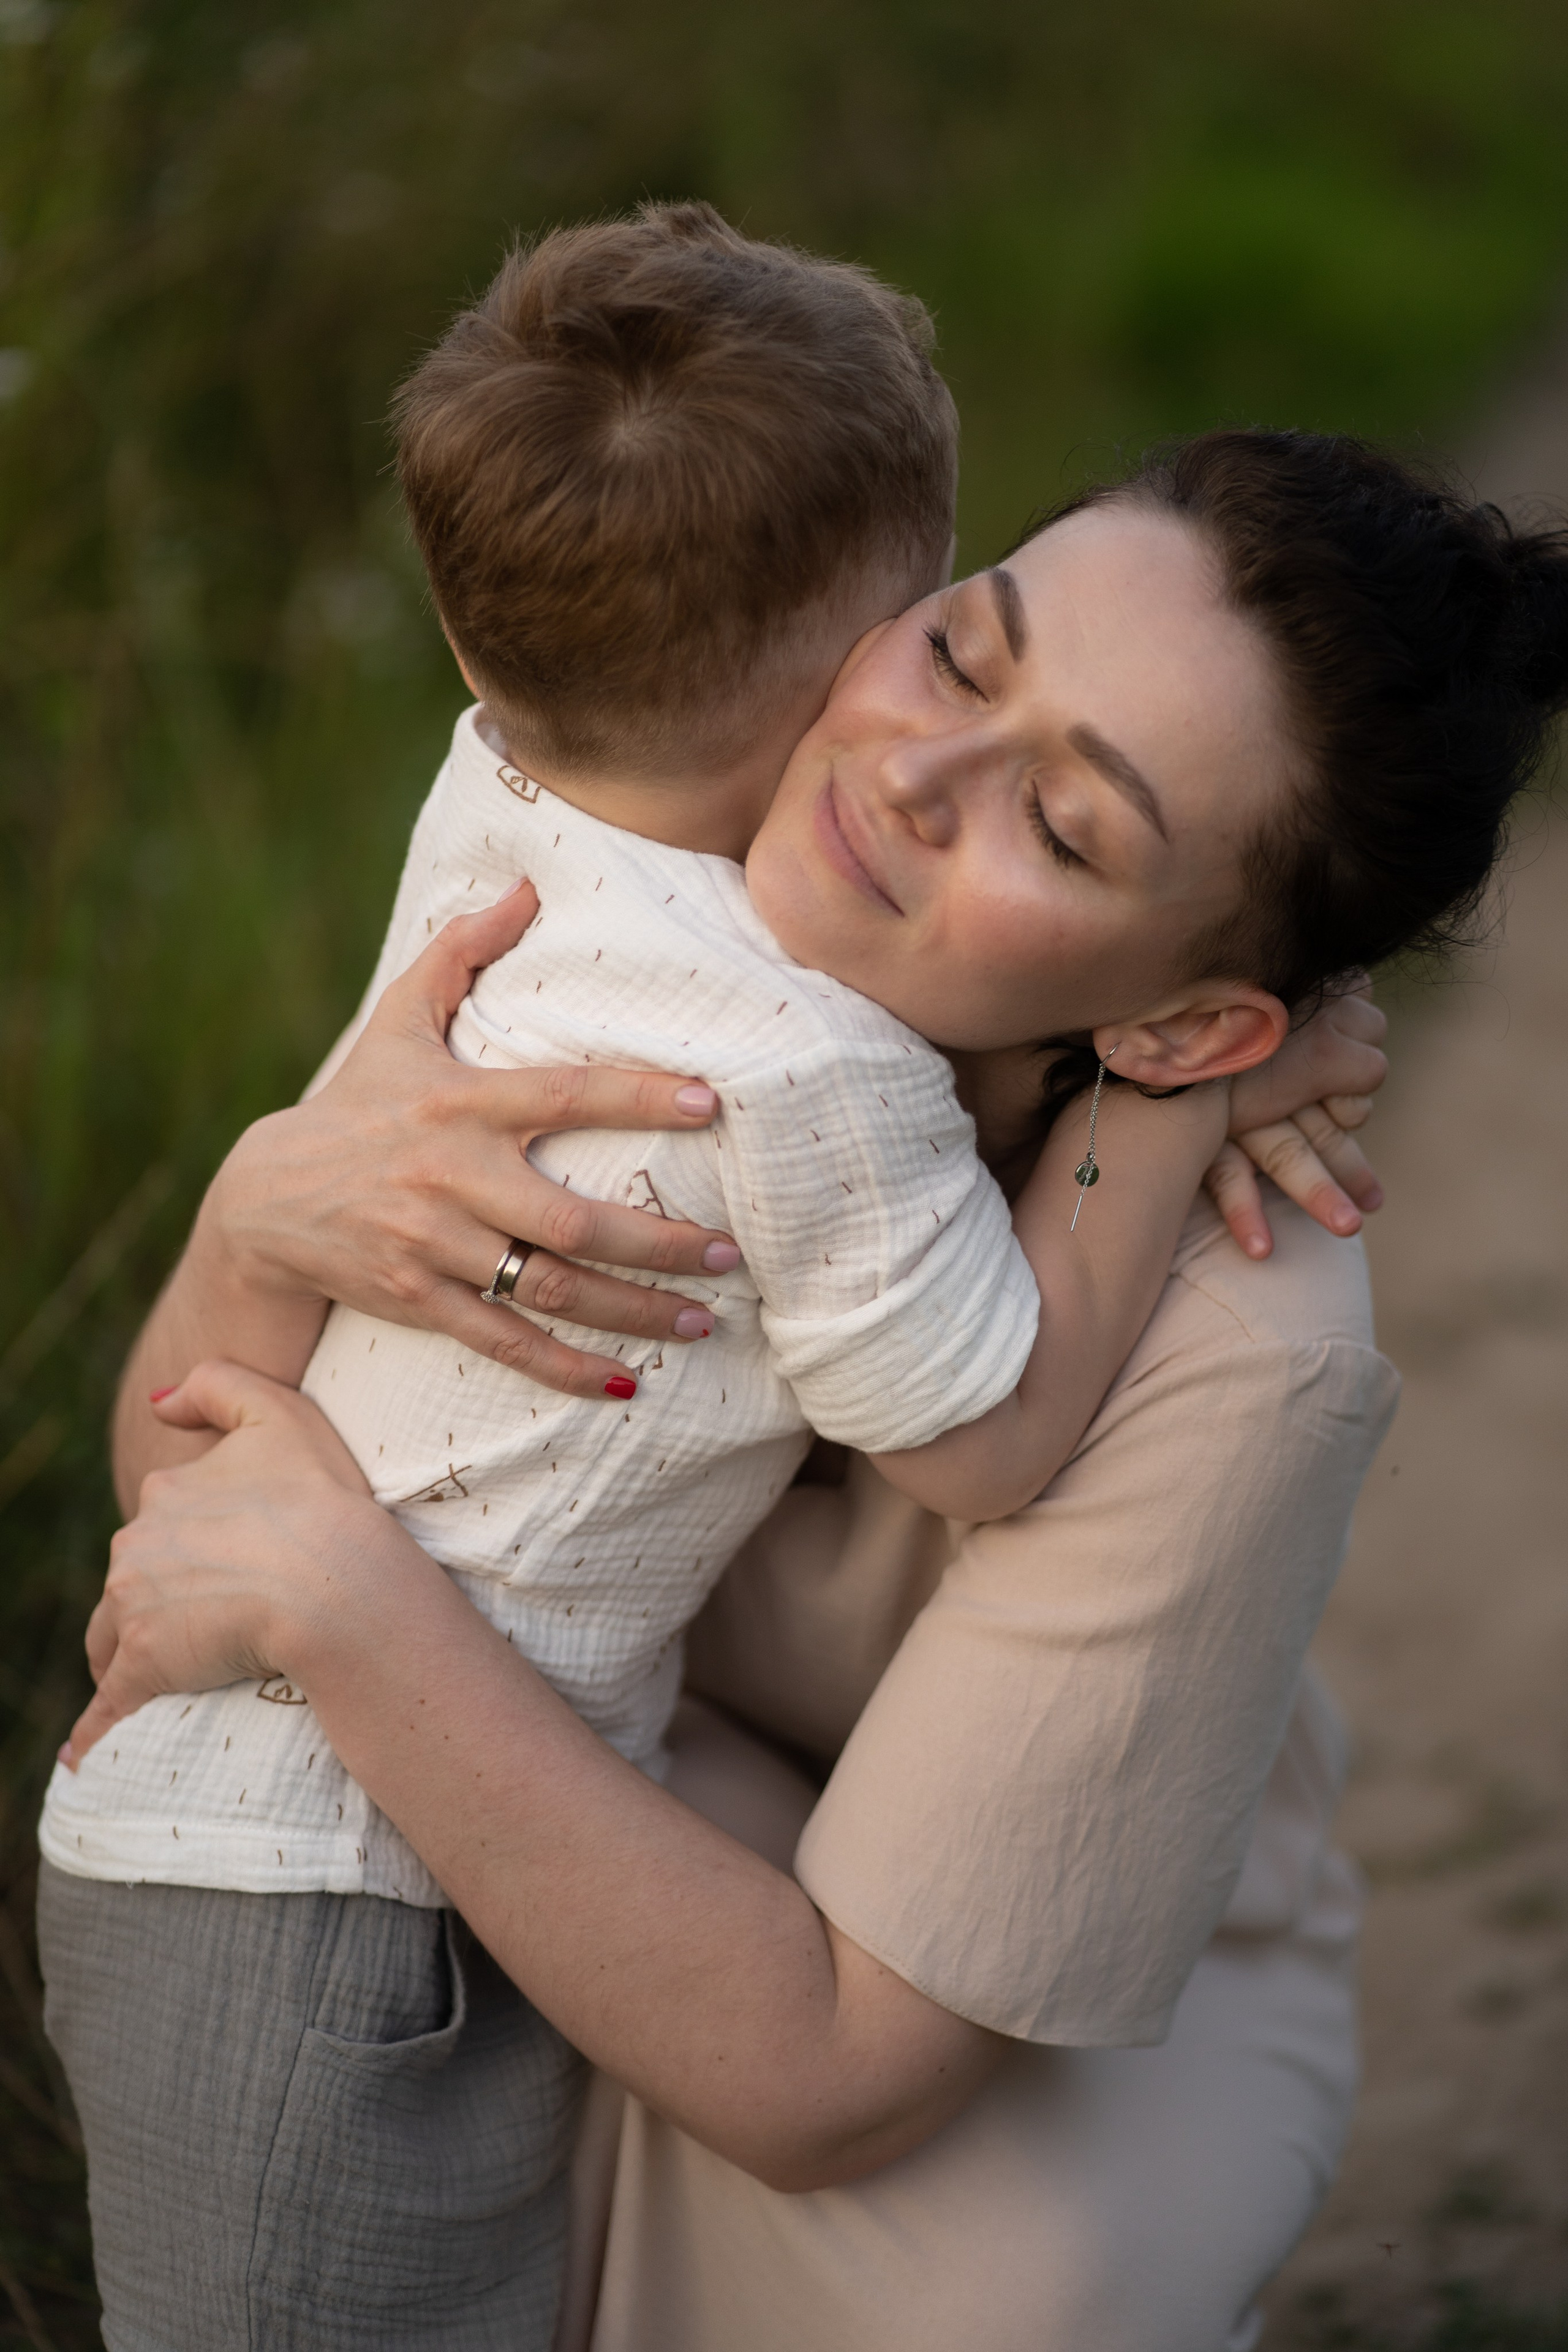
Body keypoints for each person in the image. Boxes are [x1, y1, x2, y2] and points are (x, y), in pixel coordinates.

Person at [58, 432, 1568, 2345]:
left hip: (923, 2150)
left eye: (1069, 828)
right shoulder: (662, 911)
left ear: (1190, 1016)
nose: (913, 779)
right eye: (961, 652)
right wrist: (263, 1220)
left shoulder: (1231, 1343)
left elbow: (830, 2078)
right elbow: (197, 1513)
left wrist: (362, 1616)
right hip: (549, 1890)